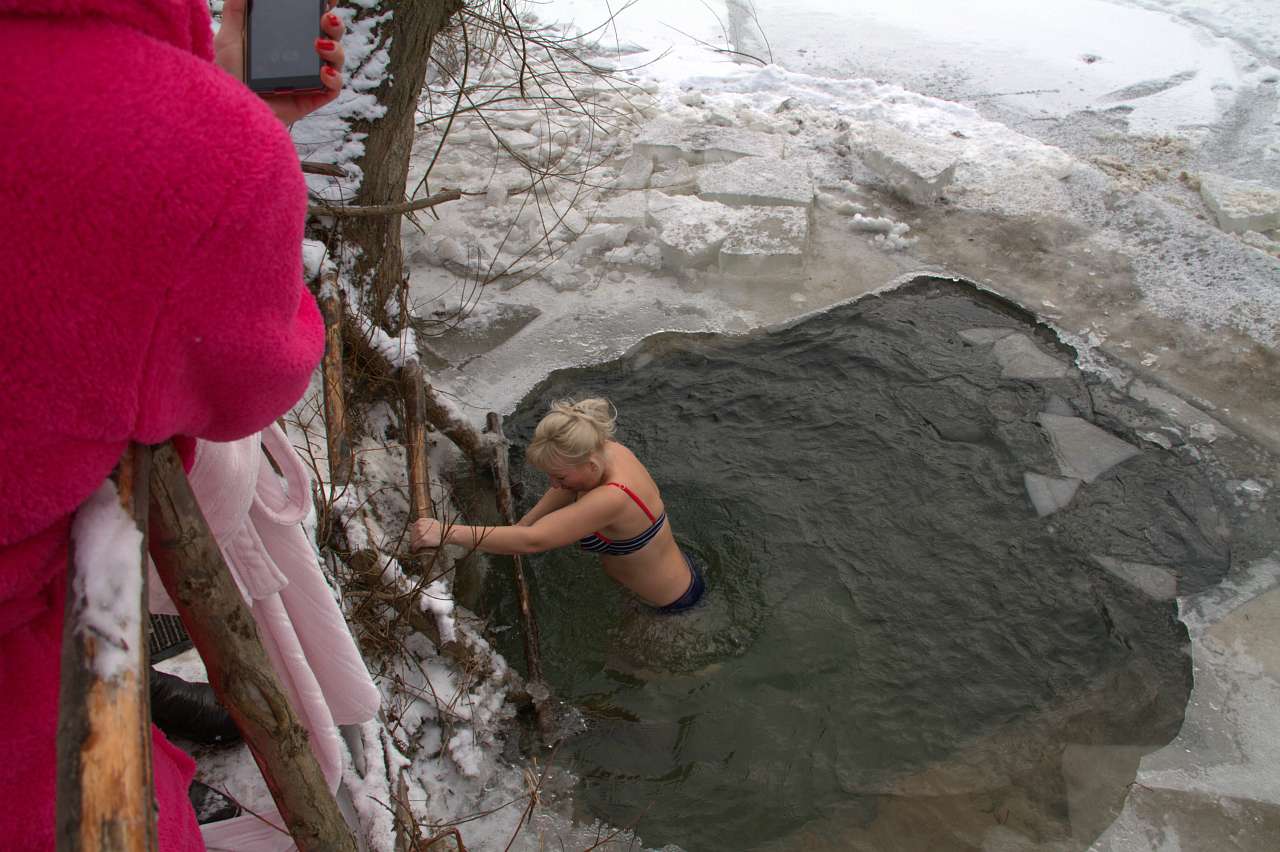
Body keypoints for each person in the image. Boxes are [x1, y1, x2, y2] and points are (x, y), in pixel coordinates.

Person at [0, 0, 344, 848]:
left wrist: (210, 92)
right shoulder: (199, 146)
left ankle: (152, 695)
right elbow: (250, 379)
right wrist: (236, 132)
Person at [413, 399, 706, 613]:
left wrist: (445, 532)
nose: (553, 484)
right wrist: (525, 521)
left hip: (668, 603)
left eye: (560, 476)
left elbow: (533, 541)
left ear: (590, 465)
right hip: (662, 579)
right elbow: (564, 493)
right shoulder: (601, 448)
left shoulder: (612, 498)